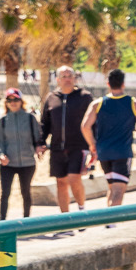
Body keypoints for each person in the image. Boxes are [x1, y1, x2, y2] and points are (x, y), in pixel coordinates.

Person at [81, 69, 136, 209]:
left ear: (108, 84)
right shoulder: (134, 104)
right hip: (123, 152)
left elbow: (85, 126)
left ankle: (109, 217)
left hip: (104, 153)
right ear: (123, 84)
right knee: (118, 191)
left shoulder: (98, 104)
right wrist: (135, 128)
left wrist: (92, 145)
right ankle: (113, 219)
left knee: (112, 187)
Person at [41, 67, 93, 214]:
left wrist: (93, 144)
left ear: (74, 78)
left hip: (78, 146)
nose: (67, 79)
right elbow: (44, 123)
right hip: (57, 148)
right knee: (61, 182)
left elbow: (94, 122)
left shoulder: (84, 97)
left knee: (74, 178)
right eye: (64, 76)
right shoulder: (51, 98)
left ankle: (81, 211)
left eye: (70, 76)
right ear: (58, 80)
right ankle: (65, 218)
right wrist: (41, 143)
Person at [0, 89, 42, 220]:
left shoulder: (30, 119)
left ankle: (26, 220)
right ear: (6, 103)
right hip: (8, 164)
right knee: (5, 193)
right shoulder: (3, 121)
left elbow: (38, 138)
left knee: (25, 192)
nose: (13, 102)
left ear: (21, 101)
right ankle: (2, 222)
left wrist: (39, 148)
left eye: (15, 99)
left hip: (27, 163)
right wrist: (1, 155)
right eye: (9, 100)